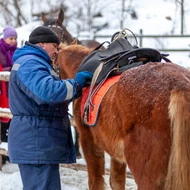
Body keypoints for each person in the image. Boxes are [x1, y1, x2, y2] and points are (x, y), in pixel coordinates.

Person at [8, 26, 93, 190]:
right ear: (41, 44)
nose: (56, 51)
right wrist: (76, 83)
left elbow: (48, 101)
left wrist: (74, 91)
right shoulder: (30, 63)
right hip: (36, 142)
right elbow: (48, 92)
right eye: (54, 47)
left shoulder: (33, 62)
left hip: (37, 141)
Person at [0, 26, 17, 165]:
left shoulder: (16, 52)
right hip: (2, 88)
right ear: (4, 38)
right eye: (11, 38)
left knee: (12, 119)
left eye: (15, 38)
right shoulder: (0, 50)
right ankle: (3, 153)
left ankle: (10, 150)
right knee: (3, 118)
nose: (13, 41)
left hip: (12, 88)